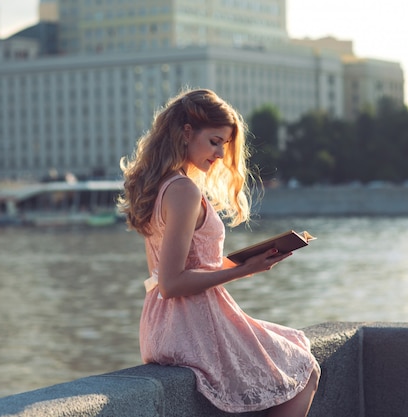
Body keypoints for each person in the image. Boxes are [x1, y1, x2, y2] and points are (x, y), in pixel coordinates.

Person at [117, 88, 320, 417]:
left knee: (292, 349)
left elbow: (184, 270)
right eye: (214, 141)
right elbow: (171, 283)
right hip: (190, 324)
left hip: (163, 324)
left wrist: (251, 263)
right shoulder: (183, 190)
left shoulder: (162, 185)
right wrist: (241, 270)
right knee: (304, 366)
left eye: (223, 145)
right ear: (186, 133)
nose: (219, 154)